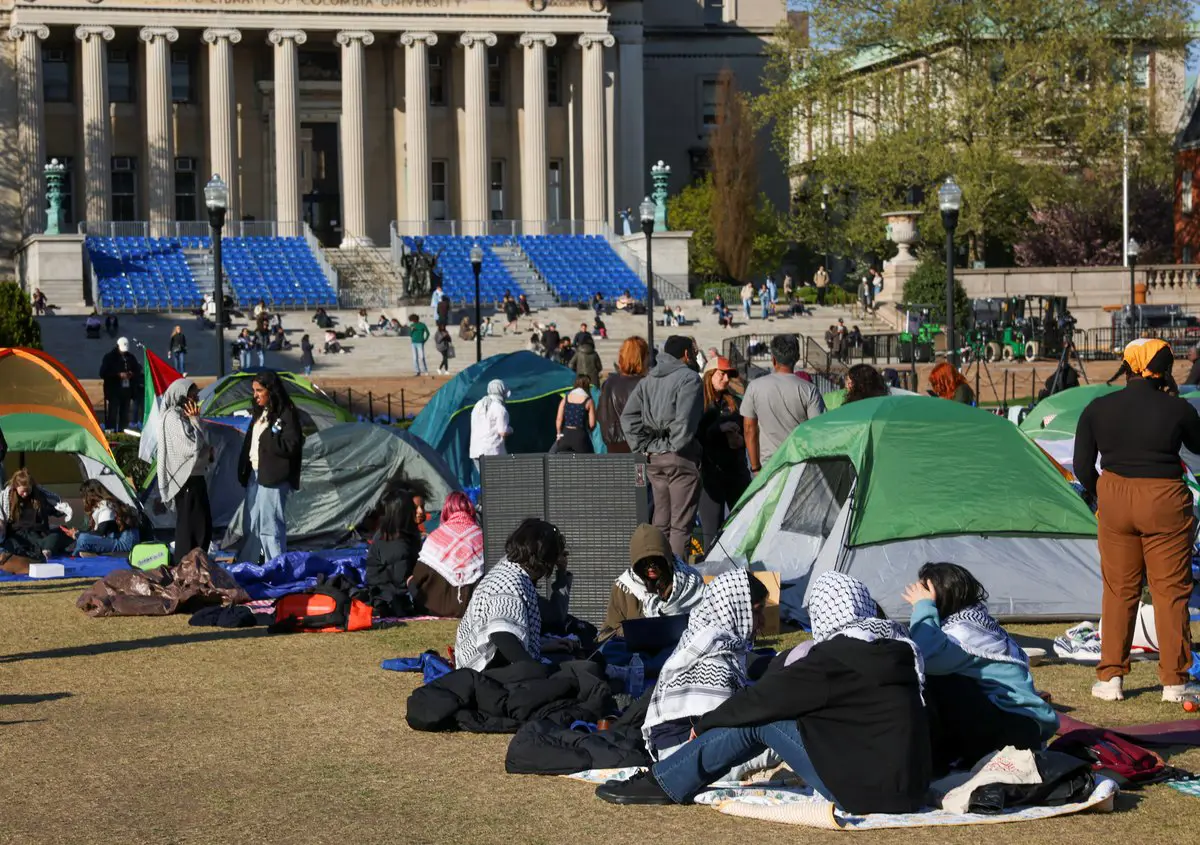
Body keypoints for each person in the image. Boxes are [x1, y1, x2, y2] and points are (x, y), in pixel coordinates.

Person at [596, 571, 930, 812]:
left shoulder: (833, 658)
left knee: (761, 721)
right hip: (912, 790)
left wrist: (706, 724)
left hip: (865, 793)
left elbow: (762, 702)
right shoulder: (901, 650)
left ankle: (665, 782)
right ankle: (669, 775)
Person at [1075, 338, 1200, 702]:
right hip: (1164, 498)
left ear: (1128, 367)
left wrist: (1105, 494)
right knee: (1170, 591)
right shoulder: (1177, 409)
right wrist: (1174, 400)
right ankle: (1175, 682)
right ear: (1162, 370)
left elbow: (1084, 466)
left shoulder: (1098, 408)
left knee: (1118, 591)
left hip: (1115, 495)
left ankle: (1111, 678)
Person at [903, 563, 1058, 774]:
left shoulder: (964, 632)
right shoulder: (974, 622)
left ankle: (945, 759)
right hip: (1019, 728)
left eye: (925, 593)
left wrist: (923, 607)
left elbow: (925, 657)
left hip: (1014, 734)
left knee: (940, 681)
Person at [642, 570, 771, 763]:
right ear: (736, 608)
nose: (763, 621)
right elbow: (728, 729)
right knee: (782, 742)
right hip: (682, 758)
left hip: (691, 750)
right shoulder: (714, 657)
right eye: (757, 611)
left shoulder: (704, 638)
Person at [620, 335, 704, 559]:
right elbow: (685, 423)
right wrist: (671, 444)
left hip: (654, 458)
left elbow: (628, 417)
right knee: (680, 526)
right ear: (686, 354)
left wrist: (644, 445)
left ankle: (654, 575)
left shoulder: (647, 380)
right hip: (679, 456)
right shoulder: (689, 378)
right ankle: (676, 581)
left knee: (661, 522)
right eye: (693, 352)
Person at [454, 518, 568, 671]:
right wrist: (537, 672)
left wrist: (543, 645)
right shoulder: (509, 582)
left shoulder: (513, 570)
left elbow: (553, 617)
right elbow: (502, 635)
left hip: (492, 664)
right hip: (483, 672)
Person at [237, 371, 304, 563]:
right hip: (256, 475)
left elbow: (292, 445)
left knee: (270, 526)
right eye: (254, 391)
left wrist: (269, 439)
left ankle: (276, 567)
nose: (255, 395)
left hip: (273, 477)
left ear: (271, 390)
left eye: (259, 390)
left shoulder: (286, 413)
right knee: (252, 525)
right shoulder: (260, 412)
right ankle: (248, 564)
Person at [601, 523, 706, 640]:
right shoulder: (625, 588)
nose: (650, 568)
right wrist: (631, 633)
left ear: (667, 559)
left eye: (655, 561)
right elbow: (608, 633)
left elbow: (706, 621)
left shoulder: (690, 581)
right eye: (644, 563)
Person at [741, 335, 825, 474]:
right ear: (797, 357)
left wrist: (755, 468)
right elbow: (817, 431)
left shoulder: (754, 387)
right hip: (800, 464)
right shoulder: (809, 389)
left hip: (769, 467)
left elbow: (749, 429)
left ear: (773, 358)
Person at [157, 378, 214, 561]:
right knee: (191, 529)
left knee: (203, 526)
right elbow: (192, 448)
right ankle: (185, 567)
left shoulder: (184, 416)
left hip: (196, 477)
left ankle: (196, 565)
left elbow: (203, 443)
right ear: (182, 396)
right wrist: (196, 421)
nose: (196, 400)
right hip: (186, 480)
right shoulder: (173, 417)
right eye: (193, 396)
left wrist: (196, 422)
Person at [697, 358, 751, 551]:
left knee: (744, 525)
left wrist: (739, 438)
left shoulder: (735, 402)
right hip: (710, 473)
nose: (726, 379)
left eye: (729, 374)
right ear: (710, 375)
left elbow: (750, 431)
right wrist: (719, 429)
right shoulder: (698, 403)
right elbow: (695, 435)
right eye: (722, 373)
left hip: (736, 471)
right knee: (711, 534)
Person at [411, 492, 485, 618]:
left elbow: (418, 576)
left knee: (411, 581)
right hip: (473, 606)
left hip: (434, 608)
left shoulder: (435, 537)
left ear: (446, 510)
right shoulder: (481, 536)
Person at [364, 490, 424, 616]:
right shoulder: (391, 539)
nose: (419, 512)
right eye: (413, 508)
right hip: (387, 595)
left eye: (421, 507)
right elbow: (401, 578)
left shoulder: (408, 534)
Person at [0, 468, 74, 559]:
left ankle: (42, 550)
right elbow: (2, 519)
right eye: (23, 491)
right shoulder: (8, 498)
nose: (25, 494)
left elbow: (52, 509)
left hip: (38, 534)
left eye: (28, 490)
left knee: (61, 534)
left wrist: (62, 510)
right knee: (12, 544)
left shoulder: (39, 497)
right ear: (16, 487)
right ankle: (41, 550)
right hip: (19, 535)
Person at [599, 337, 649, 454]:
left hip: (613, 445)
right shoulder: (645, 384)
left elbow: (602, 416)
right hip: (638, 447)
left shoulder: (608, 383)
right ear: (641, 357)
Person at [68, 481, 141, 556]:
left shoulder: (106, 506)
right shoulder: (104, 505)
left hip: (124, 545)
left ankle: (75, 556)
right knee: (83, 538)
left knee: (83, 539)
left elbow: (100, 533)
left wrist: (77, 535)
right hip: (117, 540)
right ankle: (89, 553)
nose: (83, 500)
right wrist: (78, 532)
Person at [469, 379, 512, 478]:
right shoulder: (500, 409)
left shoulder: (478, 405)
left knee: (485, 482)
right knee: (496, 482)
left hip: (476, 451)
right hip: (492, 453)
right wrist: (511, 429)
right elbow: (503, 432)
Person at [99, 336, 140, 432]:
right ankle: (111, 432)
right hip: (114, 391)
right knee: (113, 414)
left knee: (124, 414)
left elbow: (137, 369)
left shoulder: (130, 357)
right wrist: (118, 374)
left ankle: (123, 433)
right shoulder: (109, 357)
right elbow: (103, 373)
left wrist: (131, 374)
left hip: (127, 391)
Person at [555, 376, 596, 454]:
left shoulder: (565, 399)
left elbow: (559, 419)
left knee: (560, 459)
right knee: (589, 459)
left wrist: (558, 433)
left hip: (565, 434)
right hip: (580, 435)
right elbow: (592, 424)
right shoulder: (589, 401)